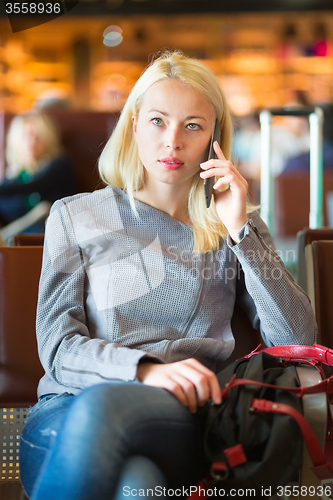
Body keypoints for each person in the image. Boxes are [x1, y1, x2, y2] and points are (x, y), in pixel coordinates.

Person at [19, 50, 316, 500]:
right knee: (138, 486)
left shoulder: (233, 228)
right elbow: (58, 348)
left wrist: (240, 231)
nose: (172, 141)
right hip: (66, 415)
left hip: (180, 417)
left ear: (214, 139)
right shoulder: (75, 215)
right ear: (135, 124)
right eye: (158, 121)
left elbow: (297, 339)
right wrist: (144, 371)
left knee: (113, 428)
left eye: (192, 125)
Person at [0, 112, 77, 231]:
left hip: (50, 235)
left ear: (48, 140)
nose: (31, 142)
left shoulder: (59, 166)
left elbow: (33, 186)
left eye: (38, 136)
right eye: (25, 136)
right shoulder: (13, 176)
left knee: (44, 210)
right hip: (17, 241)